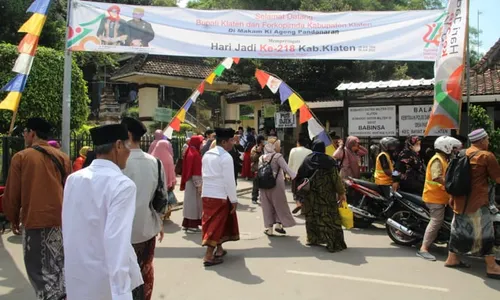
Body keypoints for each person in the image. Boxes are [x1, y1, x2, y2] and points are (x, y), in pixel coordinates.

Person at [62, 124, 143, 299]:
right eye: (128, 146)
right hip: (106, 284)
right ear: (119, 145)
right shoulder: (122, 185)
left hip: (77, 277)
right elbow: (117, 242)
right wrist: (122, 293)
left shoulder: (73, 179)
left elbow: (69, 228)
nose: (130, 152)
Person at [2, 118, 71, 300]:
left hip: (34, 222)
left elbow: (12, 193)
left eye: (25, 131)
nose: (24, 135)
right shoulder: (62, 157)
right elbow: (69, 190)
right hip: (59, 223)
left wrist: (13, 217)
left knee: (39, 273)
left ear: (33, 133)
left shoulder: (22, 157)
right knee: (57, 270)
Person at [445, 129, 500, 279]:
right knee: (486, 234)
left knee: (457, 230)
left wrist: (452, 196)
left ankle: (452, 258)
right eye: (487, 139)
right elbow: (498, 178)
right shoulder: (486, 156)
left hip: (459, 201)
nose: (488, 142)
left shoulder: (461, 153)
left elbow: (452, 176)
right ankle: (492, 266)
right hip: (477, 203)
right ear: (482, 140)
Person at [121, 117, 164, 300]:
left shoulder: (118, 162)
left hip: (122, 231)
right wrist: (160, 222)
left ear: (128, 135)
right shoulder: (155, 162)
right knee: (145, 271)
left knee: (122, 277)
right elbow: (160, 198)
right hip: (146, 229)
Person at [296, 140, 348, 253]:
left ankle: (312, 239)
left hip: (310, 196)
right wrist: (341, 193)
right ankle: (332, 243)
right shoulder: (329, 161)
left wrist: (298, 196)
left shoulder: (307, 160)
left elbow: (299, 177)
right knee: (328, 218)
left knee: (311, 217)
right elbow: (336, 179)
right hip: (327, 196)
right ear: (323, 149)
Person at [417, 136, 461, 261]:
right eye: (452, 148)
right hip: (434, 197)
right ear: (445, 147)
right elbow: (437, 177)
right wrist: (451, 185)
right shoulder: (437, 160)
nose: (453, 151)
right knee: (437, 221)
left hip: (441, 197)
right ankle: (423, 248)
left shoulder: (444, 159)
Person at [201, 128, 240, 266]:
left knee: (216, 222)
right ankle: (208, 255)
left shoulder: (207, 155)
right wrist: (234, 200)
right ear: (224, 142)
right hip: (220, 195)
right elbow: (229, 181)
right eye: (231, 141)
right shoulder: (226, 157)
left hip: (207, 194)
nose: (232, 143)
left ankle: (219, 249)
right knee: (216, 225)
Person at [259, 137, 296, 236]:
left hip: (263, 184)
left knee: (267, 206)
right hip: (277, 184)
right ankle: (279, 224)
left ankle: (269, 228)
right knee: (279, 205)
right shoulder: (278, 156)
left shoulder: (262, 157)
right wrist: (297, 178)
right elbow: (287, 169)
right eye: (279, 145)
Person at [181, 135, 204, 232]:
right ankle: (192, 225)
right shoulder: (195, 154)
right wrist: (199, 185)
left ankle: (187, 224)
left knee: (189, 204)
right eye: (201, 142)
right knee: (194, 204)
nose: (202, 145)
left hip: (189, 181)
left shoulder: (189, 151)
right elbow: (196, 171)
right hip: (194, 182)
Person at [151, 139, 178, 220]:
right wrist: (172, 183)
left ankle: (156, 214)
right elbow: (172, 172)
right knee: (166, 198)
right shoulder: (169, 157)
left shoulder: (152, 157)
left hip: (156, 183)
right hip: (167, 183)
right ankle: (166, 215)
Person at [288, 133, 312, 213]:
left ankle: (298, 203)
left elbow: (290, 163)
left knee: (295, 191)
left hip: (295, 174)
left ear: (298, 143)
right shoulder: (310, 151)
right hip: (306, 175)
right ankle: (303, 206)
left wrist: (287, 174)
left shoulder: (293, 150)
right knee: (305, 191)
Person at [250, 135, 266, 204]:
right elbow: (252, 159)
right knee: (256, 185)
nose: (264, 142)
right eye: (263, 140)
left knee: (264, 185)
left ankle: (263, 198)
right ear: (260, 141)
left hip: (264, 168)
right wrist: (258, 152)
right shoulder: (254, 149)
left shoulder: (265, 148)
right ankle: (254, 198)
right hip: (257, 169)